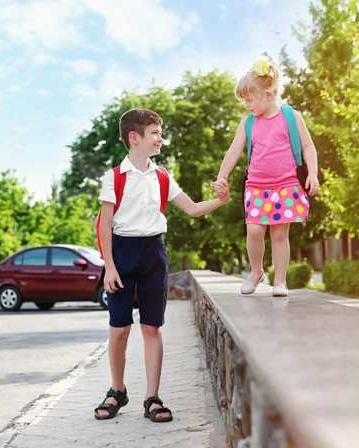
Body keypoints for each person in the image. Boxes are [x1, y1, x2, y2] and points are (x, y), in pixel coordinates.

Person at [94, 108, 230, 422]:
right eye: (155, 132)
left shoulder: (162, 176)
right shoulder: (114, 177)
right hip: (123, 253)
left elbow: (193, 209)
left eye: (160, 132)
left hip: (154, 253)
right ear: (134, 137)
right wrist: (110, 267)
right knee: (119, 329)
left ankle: (152, 397)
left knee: (152, 327)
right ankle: (117, 391)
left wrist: (220, 201)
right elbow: (104, 225)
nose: (160, 138)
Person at [211, 59, 320, 297]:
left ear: (268, 94)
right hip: (257, 187)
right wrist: (222, 176)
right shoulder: (248, 123)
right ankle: (256, 271)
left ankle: (280, 281)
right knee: (255, 231)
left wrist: (313, 173)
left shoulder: (291, 117)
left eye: (250, 100)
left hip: (286, 186)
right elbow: (233, 151)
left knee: (279, 234)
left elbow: (308, 147)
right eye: (244, 101)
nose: (246, 105)